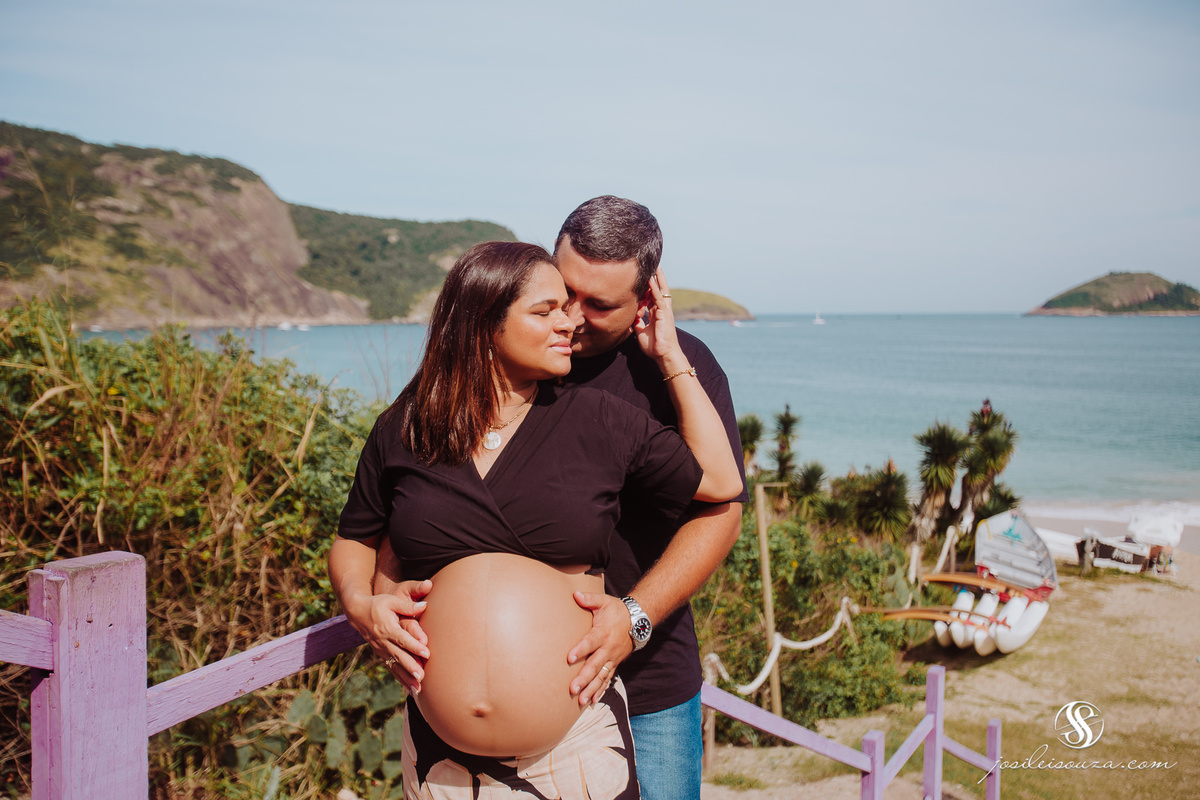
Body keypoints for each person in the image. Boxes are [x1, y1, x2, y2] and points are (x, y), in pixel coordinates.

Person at [330, 241, 742, 799]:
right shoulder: (407, 427)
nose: (568, 322)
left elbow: (722, 488)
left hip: (578, 744)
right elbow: (357, 536)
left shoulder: (601, 419)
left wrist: (669, 356)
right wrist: (363, 606)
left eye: (577, 306)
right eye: (547, 309)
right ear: (483, 326)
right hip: (440, 760)